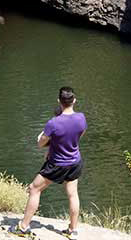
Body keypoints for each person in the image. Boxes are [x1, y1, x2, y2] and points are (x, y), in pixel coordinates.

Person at [11, 87, 87, 239]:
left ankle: (23, 227)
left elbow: (41, 143)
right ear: (74, 100)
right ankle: (73, 230)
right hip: (75, 162)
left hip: (57, 164)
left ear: (59, 101)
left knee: (34, 189)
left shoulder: (53, 123)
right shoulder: (81, 118)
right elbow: (79, 135)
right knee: (72, 194)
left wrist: (47, 142)